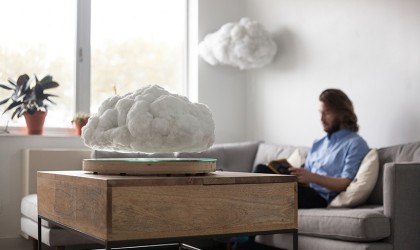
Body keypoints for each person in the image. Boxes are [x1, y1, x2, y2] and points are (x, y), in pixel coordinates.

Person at [288, 88, 369, 208]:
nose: (321, 119)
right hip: (304, 190)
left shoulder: (355, 143)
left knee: (269, 191)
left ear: (342, 114)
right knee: (262, 170)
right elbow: (307, 179)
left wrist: (312, 177)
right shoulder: (318, 143)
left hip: (319, 198)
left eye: (326, 113)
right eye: (320, 113)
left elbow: (345, 183)